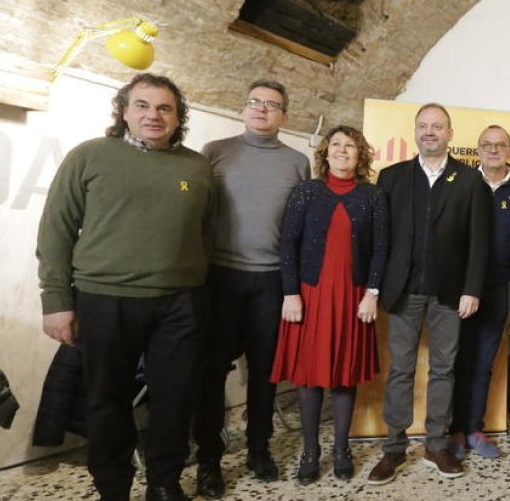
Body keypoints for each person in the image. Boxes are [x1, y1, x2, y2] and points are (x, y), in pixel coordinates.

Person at [37, 73, 216, 501]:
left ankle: (164, 483)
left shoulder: (196, 166)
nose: (153, 115)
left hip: (180, 301)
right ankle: (113, 487)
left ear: (177, 118)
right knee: (107, 400)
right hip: (104, 298)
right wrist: (57, 301)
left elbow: (205, 233)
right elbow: (55, 231)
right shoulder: (90, 156)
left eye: (164, 108)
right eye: (142, 105)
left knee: (173, 400)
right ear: (124, 111)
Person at [192, 80, 310, 498]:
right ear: (243, 109)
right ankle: (209, 459)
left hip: (271, 281)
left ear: (284, 115)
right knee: (211, 373)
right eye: (255, 102)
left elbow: (298, 231)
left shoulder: (298, 162)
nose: (261, 109)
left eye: (272, 105)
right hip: (220, 277)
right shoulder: (214, 152)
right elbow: (199, 216)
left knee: (265, 372)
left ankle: (259, 450)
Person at [367, 103, 492, 485]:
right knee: (401, 370)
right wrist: (374, 287)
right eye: (423, 126)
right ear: (415, 132)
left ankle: (437, 445)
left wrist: (472, 288)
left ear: (450, 134)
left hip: (450, 294)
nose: (430, 132)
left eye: (437, 126)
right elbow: (380, 239)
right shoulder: (391, 177)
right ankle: (393, 448)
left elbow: (479, 242)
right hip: (402, 291)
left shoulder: (470, 180)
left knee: (444, 369)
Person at [270, 125, 386, 484]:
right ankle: (310, 451)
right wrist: (290, 292)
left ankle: (341, 449)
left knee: (344, 375)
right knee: (308, 376)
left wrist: (372, 292)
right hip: (309, 295)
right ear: (325, 152)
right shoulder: (307, 191)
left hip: (353, 297)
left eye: (350, 145)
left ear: (360, 154)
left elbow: (382, 248)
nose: (342, 150)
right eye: (336, 144)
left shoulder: (373, 196)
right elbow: (287, 243)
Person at [449, 125, 510, 459]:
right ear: (478, 150)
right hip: (463, 287)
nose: (493, 150)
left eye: (500, 145)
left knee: (484, 363)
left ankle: (474, 429)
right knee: (457, 361)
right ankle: (454, 431)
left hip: (498, 289)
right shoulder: (466, 182)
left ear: (509, 150)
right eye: (486, 145)